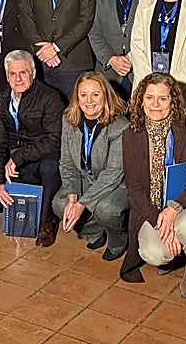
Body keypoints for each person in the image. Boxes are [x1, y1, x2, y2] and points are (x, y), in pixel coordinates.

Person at [119, 72, 186, 298]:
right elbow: (134, 190)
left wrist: (175, 209)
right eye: (149, 97)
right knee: (154, 253)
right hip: (153, 208)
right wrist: (161, 223)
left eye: (162, 98)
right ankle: (171, 256)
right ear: (140, 100)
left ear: (173, 100)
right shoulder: (131, 135)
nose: (155, 104)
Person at [0, 50, 64, 247]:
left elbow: (53, 140)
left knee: (50, 166)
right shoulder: (1, 99)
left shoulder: (50, 97)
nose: (18, 79)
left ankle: (47, 221)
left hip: (41, 159)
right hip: (16, 165)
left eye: (23, 73)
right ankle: (33, 201)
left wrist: (18, 157)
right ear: (7, 76)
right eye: (13, 73)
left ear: (33, 74)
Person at [54, 71, 130, 259]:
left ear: (106, 95)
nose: (89, 101)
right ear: (77, 97)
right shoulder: (68, 119)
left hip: (115, 183)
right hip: (86, 178)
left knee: (106, 209)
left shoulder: (120, 126)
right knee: (60, 204)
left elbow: (113, 174)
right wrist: (72, 196)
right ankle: (95, 232)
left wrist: (81, 204)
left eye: (95, 94)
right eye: (83, 95)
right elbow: (67, 162)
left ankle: (118, 241)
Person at [88, 0, 158, 101]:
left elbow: (159, 32)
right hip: (109, 75)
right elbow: (94, 31)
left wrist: (132, 57)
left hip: (143, 72)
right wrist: (111, 59)